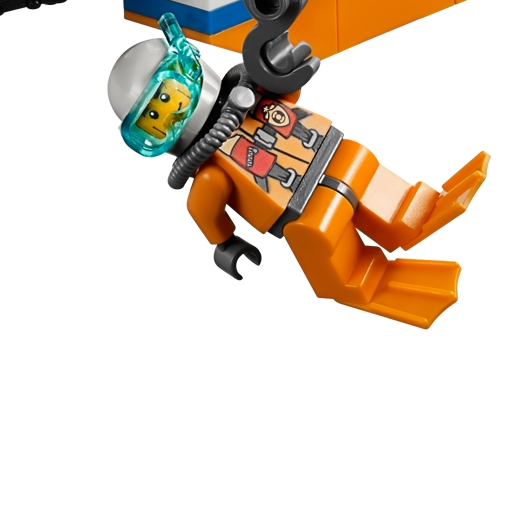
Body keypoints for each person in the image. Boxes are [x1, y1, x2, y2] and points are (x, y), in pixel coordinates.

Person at [107, 19, 489, 329]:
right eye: (156, 116)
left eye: (169, 96)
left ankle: (418, 213)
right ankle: (372, 284)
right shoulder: (210, 173)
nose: (174, 112)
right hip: (299, 210)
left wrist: (282, 72)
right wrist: (226, 244)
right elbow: (203, 209)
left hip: (335, 154)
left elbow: (287, 99)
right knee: (321, 234)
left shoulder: (248, 90)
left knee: (365, 166)